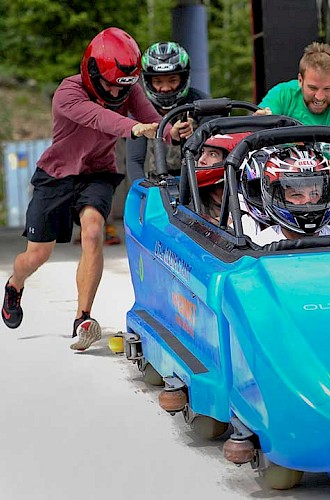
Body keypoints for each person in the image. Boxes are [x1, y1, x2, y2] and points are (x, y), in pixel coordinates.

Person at [1, 27, 192, 351]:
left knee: (92, 233)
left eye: (124, 88)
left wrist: (173, 130)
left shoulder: (126, 90)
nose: (117, 94)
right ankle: (14, 285)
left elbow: (152, 122)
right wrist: (133, 127)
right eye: (110, 86)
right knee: (36, 256)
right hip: (57, 175)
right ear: (91, 72)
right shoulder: (68, 92)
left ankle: (82, 319)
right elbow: (99, 119)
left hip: (98, 173)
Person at [255, 42, 330, 214]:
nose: (319, 97)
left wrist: (303, 183)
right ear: (300, 80)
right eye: (312, 88)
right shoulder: (282, 94)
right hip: (280, 183)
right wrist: (260, 121)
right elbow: (256, 128)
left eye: (327, 89)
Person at [126, 41, 211, 183]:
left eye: (172, 80)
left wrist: (196, 134)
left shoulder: (203, 103)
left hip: (200, 182)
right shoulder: (139, 109)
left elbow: (217, 150)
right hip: (158, 185)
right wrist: (143, 192)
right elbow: (134, 160)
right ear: (148, 81)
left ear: (183, 78)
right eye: (158, 82)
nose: (165, 88)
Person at [251, 145, 330, 246]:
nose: (308, 201)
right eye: (297, 195)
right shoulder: (259, 247)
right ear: (275, 195)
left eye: (314, 194)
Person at [195, 132, 260, 238]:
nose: (201, 160)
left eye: (212, 154)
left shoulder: (251, 200)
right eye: (202, 152)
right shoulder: (192, 195)